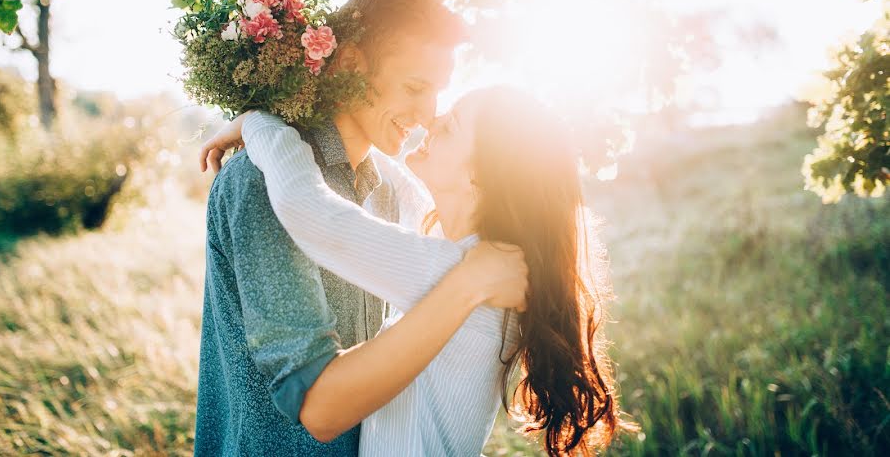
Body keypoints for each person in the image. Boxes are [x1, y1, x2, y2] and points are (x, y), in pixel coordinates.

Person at [193, 0, 529, 456]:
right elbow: (314, 401)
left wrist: (256, 121)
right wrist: (259, 122)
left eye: (438, 93)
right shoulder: (260, 180)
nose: (429, 114)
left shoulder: (387, 190)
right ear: (350, 63)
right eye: (416, 86)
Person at [201, 86, 628, 455]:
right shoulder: (469, 255)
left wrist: (259, 123)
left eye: (453, 125)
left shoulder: (464, 270)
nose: (433, 119)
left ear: (481, 175)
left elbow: (311, 212)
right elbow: (394, 177)